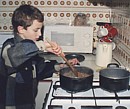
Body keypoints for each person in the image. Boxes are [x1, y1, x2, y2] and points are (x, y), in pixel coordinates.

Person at [0, 4, 78, 109]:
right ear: (21, 29)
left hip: (28, 103)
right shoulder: (9, 47)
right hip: (11, 105)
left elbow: (39, 70)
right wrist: (43, 45)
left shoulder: (32, 50)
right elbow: (14, 56)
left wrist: (62, 66)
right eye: (36, 30)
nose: (39, 34)